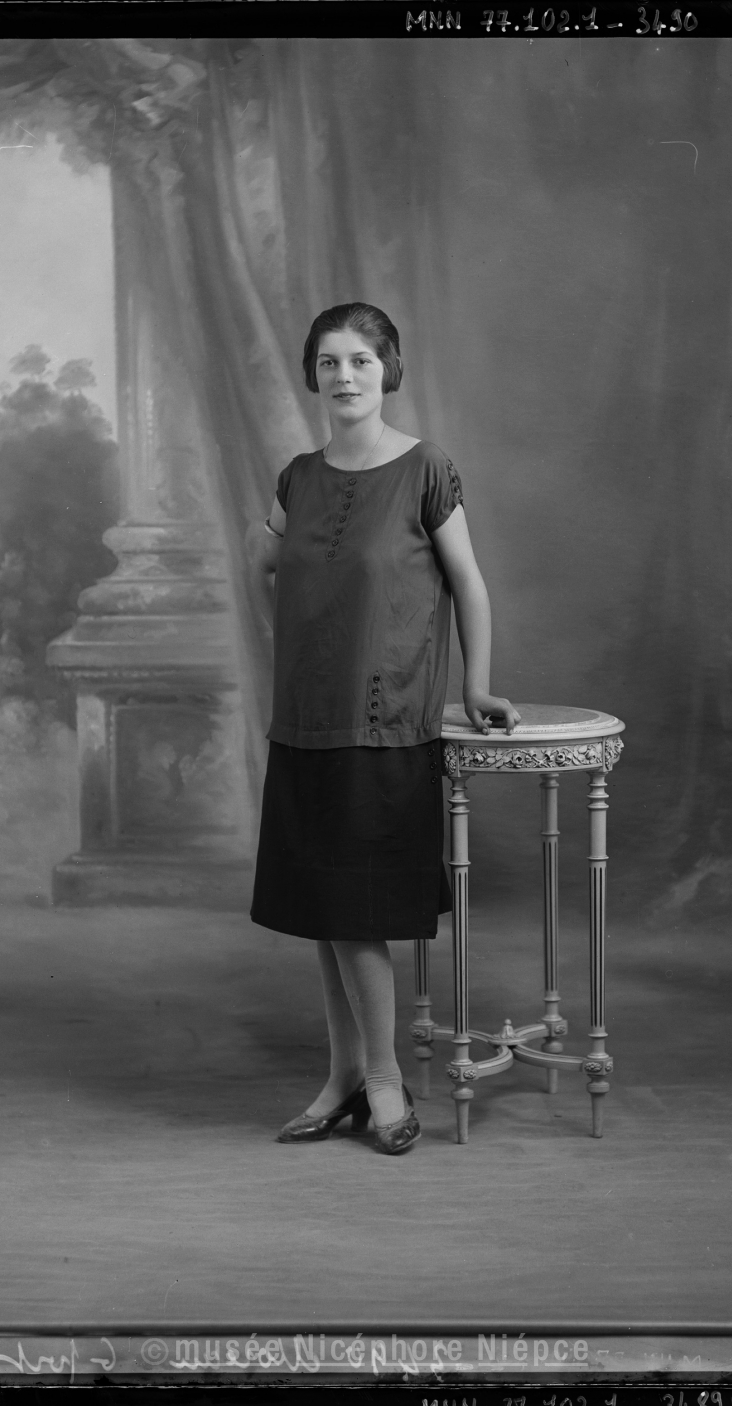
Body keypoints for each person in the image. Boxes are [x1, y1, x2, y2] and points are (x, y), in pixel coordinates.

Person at [246, 303, 519, 1155]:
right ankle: (344, 1081)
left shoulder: (424, 467)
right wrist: (302, 634)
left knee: (354, 912)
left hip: (385, 725)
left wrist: (475, 685)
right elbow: (264, 562)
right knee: (325, 911)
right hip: (304, 722)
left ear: (389, 369)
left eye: (361, 360)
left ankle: (382, 1078)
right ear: (313, 375)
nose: (345, 376)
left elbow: (468, 584)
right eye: (329, 362)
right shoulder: (298, 478)